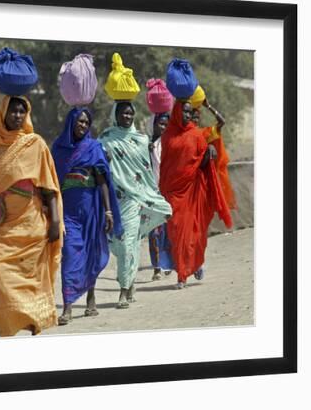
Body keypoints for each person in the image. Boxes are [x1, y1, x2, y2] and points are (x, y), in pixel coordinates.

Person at [0, 95, 64, 337]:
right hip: (5, 226)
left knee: (32, 281)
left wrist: (55, 222)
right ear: (3, 114)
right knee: (1, 276)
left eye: (22, 111)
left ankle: (33, 325)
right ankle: (10, 330)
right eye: (13, 111)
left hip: (32, 226)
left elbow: (49, 187)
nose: (17, 116)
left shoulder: (35, 144)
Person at [51, 108, 123, 325]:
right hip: (69, 212)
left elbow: (102, 181)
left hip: (92, 209)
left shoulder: (94, 147)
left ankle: (91, 297)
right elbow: (52, 182)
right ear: (71, 122)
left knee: (91, 253)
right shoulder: (58, 149)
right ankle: (68, 307)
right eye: (79, 121)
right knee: (71, 255)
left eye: (86, 122)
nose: (82, 125)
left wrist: (108, 210)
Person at [99, 101, 172, 308]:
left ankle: (123, 290)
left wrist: (152, 195)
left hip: (133, 200)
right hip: (113, 201)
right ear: (116, 115)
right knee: (121, 245)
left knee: (128, 243)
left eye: (131, 113)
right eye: (123, 113)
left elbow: (146, 174)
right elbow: (99, 168)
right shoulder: (106, 139)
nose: (127, 116)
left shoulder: (140, 140)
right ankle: (130, 283)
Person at [159, 101, 233, 289]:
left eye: (189, 112)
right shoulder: (168, 136)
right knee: (177, 233)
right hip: (173, 193)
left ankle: (183, 275)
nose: (187, 115)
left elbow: (202, 163)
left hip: (194, 192)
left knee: (195, 232)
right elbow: (166, 166)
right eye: (184, 112)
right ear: (176, 113)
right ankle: (183, 270)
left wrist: (209, 153)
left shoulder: (197, 135)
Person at [191, 101, 237, 211]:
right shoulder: (182, 136)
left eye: (197, 118)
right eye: (193, 117)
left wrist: (208, 106)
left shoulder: (205, 133)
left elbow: (221, 122)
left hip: (206, 176)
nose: (195, 120)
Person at [145, 113, 175, 281]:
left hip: (169, 192)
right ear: (154, 125)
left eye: (166, 124)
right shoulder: (147, 146)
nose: (163, 127)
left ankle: (167, 262)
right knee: (154, 231)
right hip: (152, 193)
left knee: (169, 231)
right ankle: (156, 267)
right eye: (160, 124)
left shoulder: (171, 145)